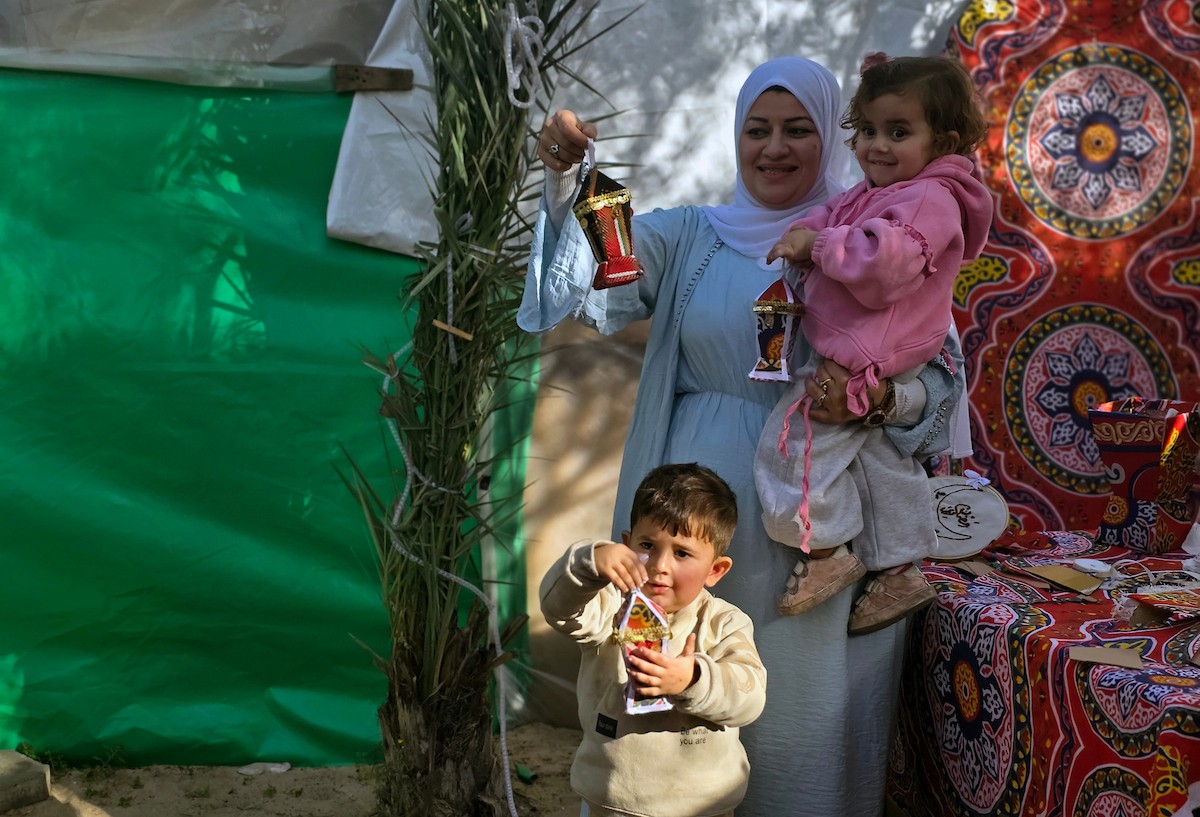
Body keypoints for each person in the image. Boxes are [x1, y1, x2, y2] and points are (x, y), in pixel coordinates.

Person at [520, 56, 964, 816]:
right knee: (675, 711)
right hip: (688, 528)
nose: (775, 147)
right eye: (758, 129)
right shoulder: (694, 235)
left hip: (816, 535)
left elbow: (940, 381)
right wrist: (570, 175)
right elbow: (604, 260)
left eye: (798, 130)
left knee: (801, 722)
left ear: (830, 137)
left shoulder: (877, 241)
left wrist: (880, 396)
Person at [754, 53, 993, 634]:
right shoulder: (883, 191)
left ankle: (826, 549)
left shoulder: (927, 199)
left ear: (946, 141)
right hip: (869, 350)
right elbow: (831, 215)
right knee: (878, 464)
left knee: (793, 452)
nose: (877, 146)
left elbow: (885, 265)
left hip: (862, 352)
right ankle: (901, 570)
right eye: (866, 131)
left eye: (899, 132)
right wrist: (803, 234)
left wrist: (815, 247)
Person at [540, 462, 766, 817]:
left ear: (715, 570)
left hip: (701, 805)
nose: (660, 565)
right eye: (648, 545)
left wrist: (692, 680)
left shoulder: (724, 623)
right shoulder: (610, 606)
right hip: (611, 801)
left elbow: (749, 699)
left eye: (681, 553)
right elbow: (559, 610)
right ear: (627, 544)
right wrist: (588, 561)